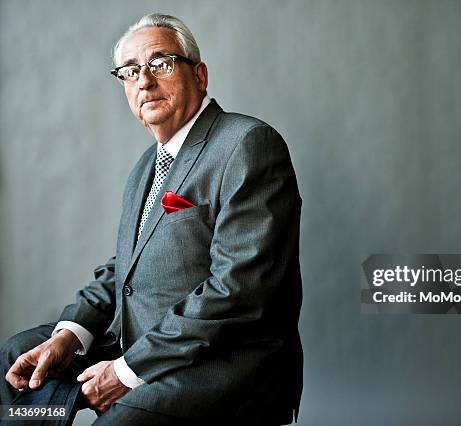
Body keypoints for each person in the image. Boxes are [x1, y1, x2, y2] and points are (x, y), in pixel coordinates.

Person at [0, 13, 302, 425]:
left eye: (160, 63)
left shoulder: (247, 144)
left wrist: (126, 371)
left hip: (220, 361)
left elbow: (237, 291)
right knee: (15, 362)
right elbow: (123, 268)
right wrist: (70, 336)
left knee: (122, 419)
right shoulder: (147, 166)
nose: (143, 80)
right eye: (130, 71)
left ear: (200, 74)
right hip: (142, 341)